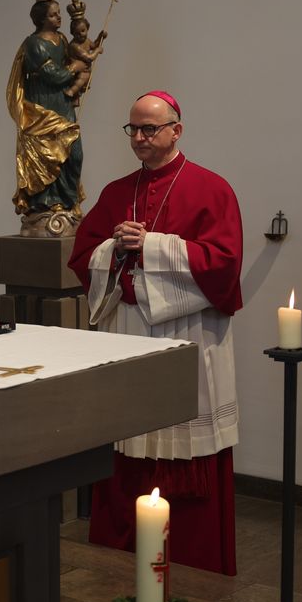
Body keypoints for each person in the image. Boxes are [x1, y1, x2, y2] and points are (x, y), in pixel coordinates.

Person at [67, 90, 242, 575]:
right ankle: (119, 554)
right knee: (128, 440)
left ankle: (191, 560)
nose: (140, 138)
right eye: (134, 129)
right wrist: (115, 249)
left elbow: (225, 264)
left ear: (176, 130)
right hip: (130, 332)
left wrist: (153, 245)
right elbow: (82, 255)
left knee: (184, 443)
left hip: (187, 334)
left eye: (150, 128)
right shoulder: (115, 192)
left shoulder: (212, 189)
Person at [7, 0, 83, 227]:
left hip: (63, 104)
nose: (59, 18)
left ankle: (68, 201)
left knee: (74, 154)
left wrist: (83, 62)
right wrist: (74, 69)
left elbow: (71, 63)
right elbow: (54, 75)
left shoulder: (61, 39)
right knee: (46, 156)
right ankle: (47, 204)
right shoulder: (34, 44)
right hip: (42, 107)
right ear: (41, 18)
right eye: (53, 14)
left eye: (59, 13)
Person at [63, 0, 106, 104]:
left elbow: (94, 45)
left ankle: (74, 96)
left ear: (87, 28)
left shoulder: (86, 41)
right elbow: (89, 58)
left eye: (83, 31)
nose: (81, 35)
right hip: (78, 70)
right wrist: (97, 51)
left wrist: (100, 37)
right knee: (82, 79)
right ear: (72, 33)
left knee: (84, 80)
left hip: (85, 69)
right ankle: (71, 91)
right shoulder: (75, 45)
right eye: (77, 33)